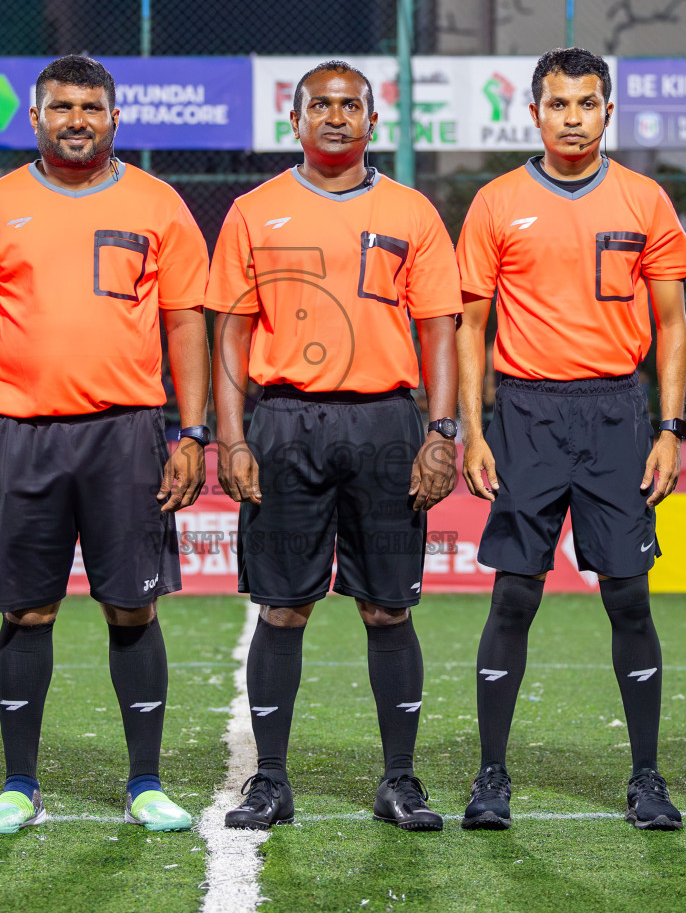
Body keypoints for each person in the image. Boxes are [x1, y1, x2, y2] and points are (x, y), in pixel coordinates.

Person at [0, 55, 210, 836]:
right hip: (23, 433)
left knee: (133, 606)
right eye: (60, 106)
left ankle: (145, 783)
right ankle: (20, 785)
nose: (76, 119)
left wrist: (192, 432)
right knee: (27, 611)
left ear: (115, 118)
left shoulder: (158, 203)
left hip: (127, 432)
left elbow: (186, 320)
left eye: (91, 106)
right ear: (34, 118)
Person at [207, 61, 462, 832]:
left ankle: (399, 782)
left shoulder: (413, 213)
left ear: (373, 123)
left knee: (388, 609)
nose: (337, 117)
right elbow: (232, 333)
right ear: (296, 122)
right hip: (284, 423)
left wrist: (442, 431)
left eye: (352, 105)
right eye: (321, 105)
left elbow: (440, 329)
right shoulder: (255, 211)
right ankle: (271, 783)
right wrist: (232, 438)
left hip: (387, 424)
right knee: (283, 607)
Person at [454, 48, 686, 832]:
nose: (572, 117)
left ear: (607, 110)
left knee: (629, 595)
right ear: (534, 113)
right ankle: (492, 775)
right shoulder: (496, 202)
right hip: (525, 414)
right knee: (514, 594)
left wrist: (669, 428)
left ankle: (647, 777)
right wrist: (472, 429)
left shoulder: (645, 199)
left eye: (586, 104)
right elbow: (471, 325)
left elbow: (672, 326)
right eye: (557, 104)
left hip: (618, 415)